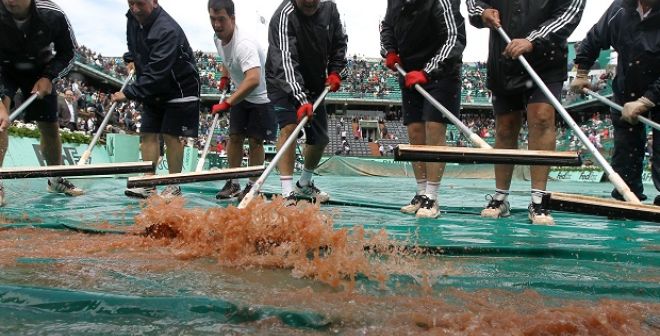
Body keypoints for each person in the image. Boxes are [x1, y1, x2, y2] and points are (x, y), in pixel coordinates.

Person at [467, 0, 585, 225]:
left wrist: (533, 40)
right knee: (505, 126)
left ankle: (538, 200)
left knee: (541, 117)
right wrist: (482, 12)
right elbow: (474, 2)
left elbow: (569, 13)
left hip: (545, 60)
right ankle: (500, 197)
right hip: (505, 58)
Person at [381, 0, 466, 218]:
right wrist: (390, 50)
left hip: (442, 72)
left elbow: (453, 38)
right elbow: (387, 26)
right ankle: (421, 192)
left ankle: (432, 197)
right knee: (415, 133)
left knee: (434, 129)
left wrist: (428, 71)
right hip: (409, 71)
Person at [571, 0, 660, 204]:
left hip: (657, 88)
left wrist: (648, 100)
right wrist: (582, 70)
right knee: (626, 149)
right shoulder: (620, 8)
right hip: (627, 88)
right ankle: (626, 196)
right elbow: (595, 37)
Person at [112, 0, 201, 199]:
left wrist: (128, 93)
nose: (134, 9)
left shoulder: (167, 29)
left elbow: (157, 72)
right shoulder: (132, 17)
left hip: (180, 86)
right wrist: (131, 58)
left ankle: (173, 185)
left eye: (140, 4)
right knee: (148, 134)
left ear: (154, 1)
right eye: (131, 3)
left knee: (171, 134)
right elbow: (136, 45)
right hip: (153, 85)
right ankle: (149, 182)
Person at [0, 0, 84, 206]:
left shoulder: (53, 14)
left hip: (39, 70)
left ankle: (55, 178)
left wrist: (49, 76)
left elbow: (70, 52)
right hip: (2, 70)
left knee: (50, 127)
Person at [266, 0, 347, 203]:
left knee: (320, 140)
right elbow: (285, 61)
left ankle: (304, 184)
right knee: (290, 128)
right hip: (283, 81)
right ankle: (287, 194)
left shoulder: (330, 9)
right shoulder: (284, 16)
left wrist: (335, 71)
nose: (310, 2)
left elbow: (339, 43)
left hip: (315, 81)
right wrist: (301, 99)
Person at [208, 0, 277, 201]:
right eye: (213, 19)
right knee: (235, 138)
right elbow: (226, 58)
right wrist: (224, 76)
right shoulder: (217, 37)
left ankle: (252, 186)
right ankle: (234, 182)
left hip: (262, 97)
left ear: (232, 18)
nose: (217, 25)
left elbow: (254, 79)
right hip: (241, 92)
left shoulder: (244, 44)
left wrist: (228, 102)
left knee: (255, 141)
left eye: (221, 20)